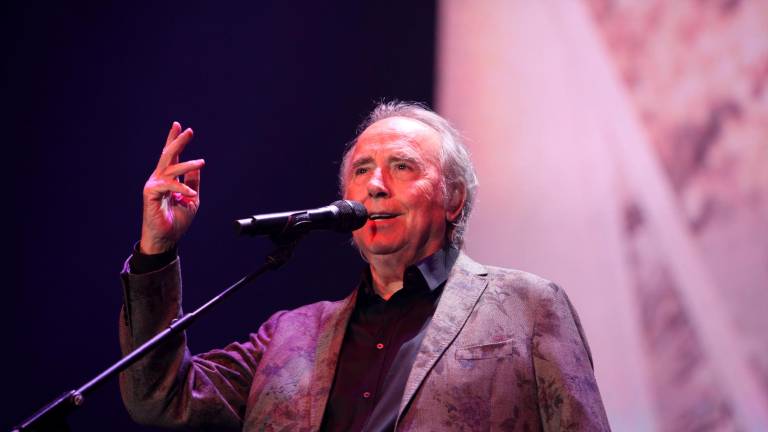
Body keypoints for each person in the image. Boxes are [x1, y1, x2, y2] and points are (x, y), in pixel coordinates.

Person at [119, 102, 611, 431]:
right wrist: (156, 250)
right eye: (361, 171)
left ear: (453, 199)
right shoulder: (289, 336)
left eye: (402, 166)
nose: (375, 185)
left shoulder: (527, 307)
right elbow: (159, 396)